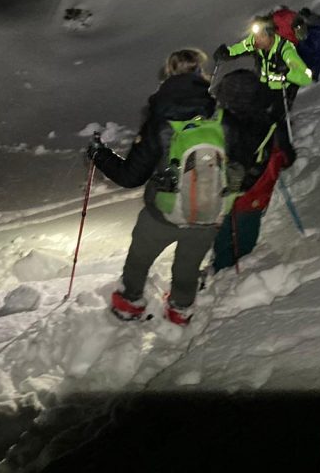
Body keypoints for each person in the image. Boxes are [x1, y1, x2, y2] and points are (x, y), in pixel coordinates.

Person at [86, 48, 260, 326]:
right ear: (201, 75)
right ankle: (180, 310)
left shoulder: (159, 124)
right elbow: (248, 165)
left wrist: (99, 155)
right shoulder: (223, 118)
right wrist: (226, 189)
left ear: (168, 74)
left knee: (139, 258)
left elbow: (131, 176)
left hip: (162, 214)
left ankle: (129, 304)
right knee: (188, 267)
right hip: (207, 214)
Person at [208, 69, 295, 274]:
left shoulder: (217, 121)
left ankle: (221, 270)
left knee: (223, 234)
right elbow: (287, 159)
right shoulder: (272, 122)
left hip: (222, 190)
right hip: (256, 188)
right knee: (246, 235)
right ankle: (239, 273)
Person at [213, 14, 313, 120]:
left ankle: (280, 131)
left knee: (274, 120)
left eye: (262, 36)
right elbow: (243, 46)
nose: (257, 40)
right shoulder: (256, 42)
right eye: (256, 36)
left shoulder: (286, 51)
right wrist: (228, 52)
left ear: (271, 35)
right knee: (250, 110)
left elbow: (306, 78)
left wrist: (287, 72)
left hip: (282, 90)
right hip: (264, 86)